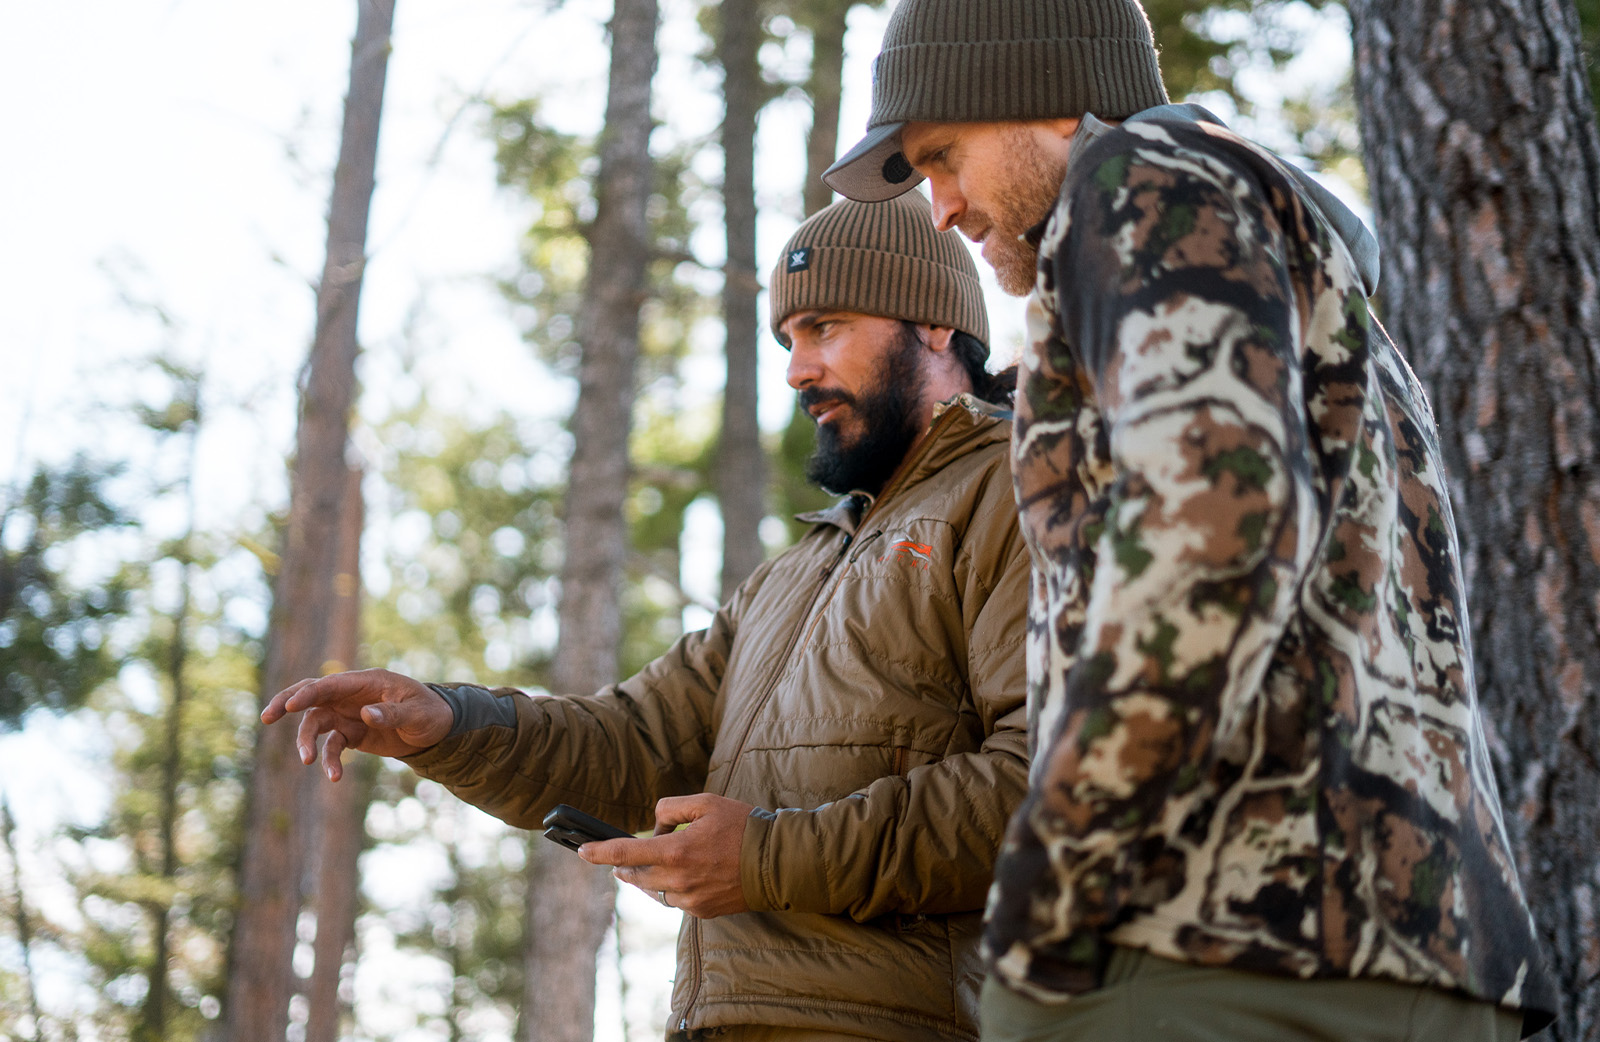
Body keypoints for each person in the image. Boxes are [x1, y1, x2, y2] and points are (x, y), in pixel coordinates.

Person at [823, 2, 1559, 1040]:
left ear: (1040, 96)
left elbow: (1208, 541)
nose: (937, 207)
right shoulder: (1284, 259)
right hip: (1409, 941)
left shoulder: (1140, 181)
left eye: (942, 155)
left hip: (1214, 937)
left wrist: (1054, 896)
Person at [262, 190, 1031, 1042]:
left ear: (932, 324)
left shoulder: (1021, 492)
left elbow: (1045, 786)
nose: (796, 370)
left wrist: (767, 859)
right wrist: (449, 725)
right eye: (788, 339)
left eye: (825, 327)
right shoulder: (794, 573)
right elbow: (635, 745)